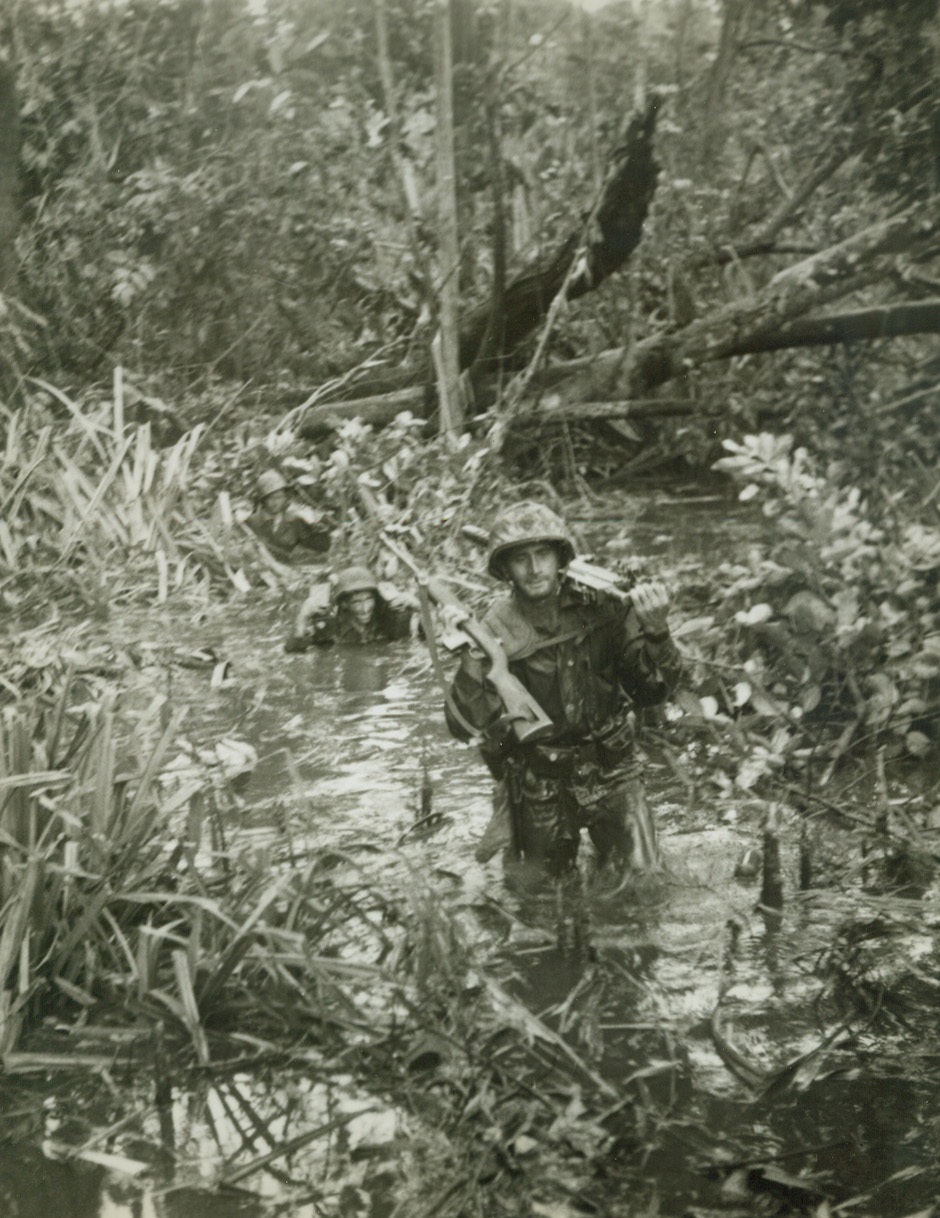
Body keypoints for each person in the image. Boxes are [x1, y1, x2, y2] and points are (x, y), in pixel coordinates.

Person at [444, 500, 683, 879]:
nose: (535, 568)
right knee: (538, 899)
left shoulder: (605, 608)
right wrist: (472, 656)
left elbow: (652, 692)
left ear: (560, 559)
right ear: (505, 569)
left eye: (543, 554)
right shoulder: (494, 628)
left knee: (644, 881)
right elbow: (464, 727)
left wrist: (657, 633)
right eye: (521, 559)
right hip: (540, 780)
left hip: (612, 771)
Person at [285, 564, 417, 651]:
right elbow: (293, 653)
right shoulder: (331, 626)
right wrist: (302, 617)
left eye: (368, 599)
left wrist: (418, 607)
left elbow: (429, 637)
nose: (365, 609)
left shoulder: (388, 620)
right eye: (357, 602)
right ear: (344, 604)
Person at [246, 469, 331, 561]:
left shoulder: (293, 518)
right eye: (270, 498)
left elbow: (321, 546)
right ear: (263, 500)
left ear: (285, 497)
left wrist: (316, 524)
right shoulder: (253, 521)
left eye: (279, 497)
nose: (275, 502)